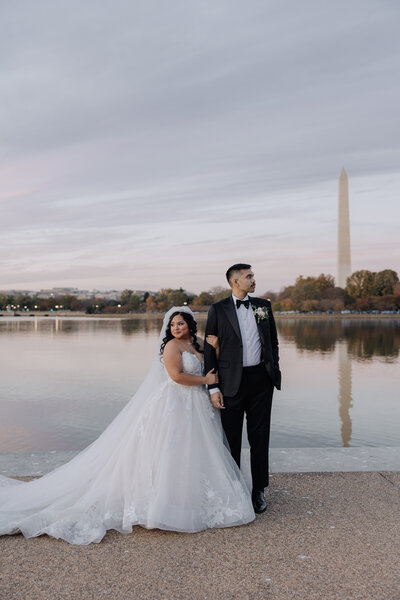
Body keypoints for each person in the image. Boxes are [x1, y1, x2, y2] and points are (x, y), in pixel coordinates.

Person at [0, 307, 254, 545]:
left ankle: (196, 497)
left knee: (199, 450)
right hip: (176, 403)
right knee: (171, 448)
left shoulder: (198, 343)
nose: (177, 327)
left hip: (199, 404)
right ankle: (164, 502)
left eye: (181, 323)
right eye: (173, 324)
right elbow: (177, 376)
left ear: (190, 324)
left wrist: (217, 349)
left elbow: (212, 364)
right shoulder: (171, 347)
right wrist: (204, 380)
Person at [204, 264, 281, 514]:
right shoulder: (217, 309)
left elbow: (273, 342)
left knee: (260, 438)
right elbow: (209, 350)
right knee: (231, 439)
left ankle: (258, 490)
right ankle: (233, 489)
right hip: (229, 382)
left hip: (261, 381)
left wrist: (273, 370)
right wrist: (213, 387)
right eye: (249, 276)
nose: (253, 280)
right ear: (235, 281)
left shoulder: (263, 306)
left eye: (253, 276)